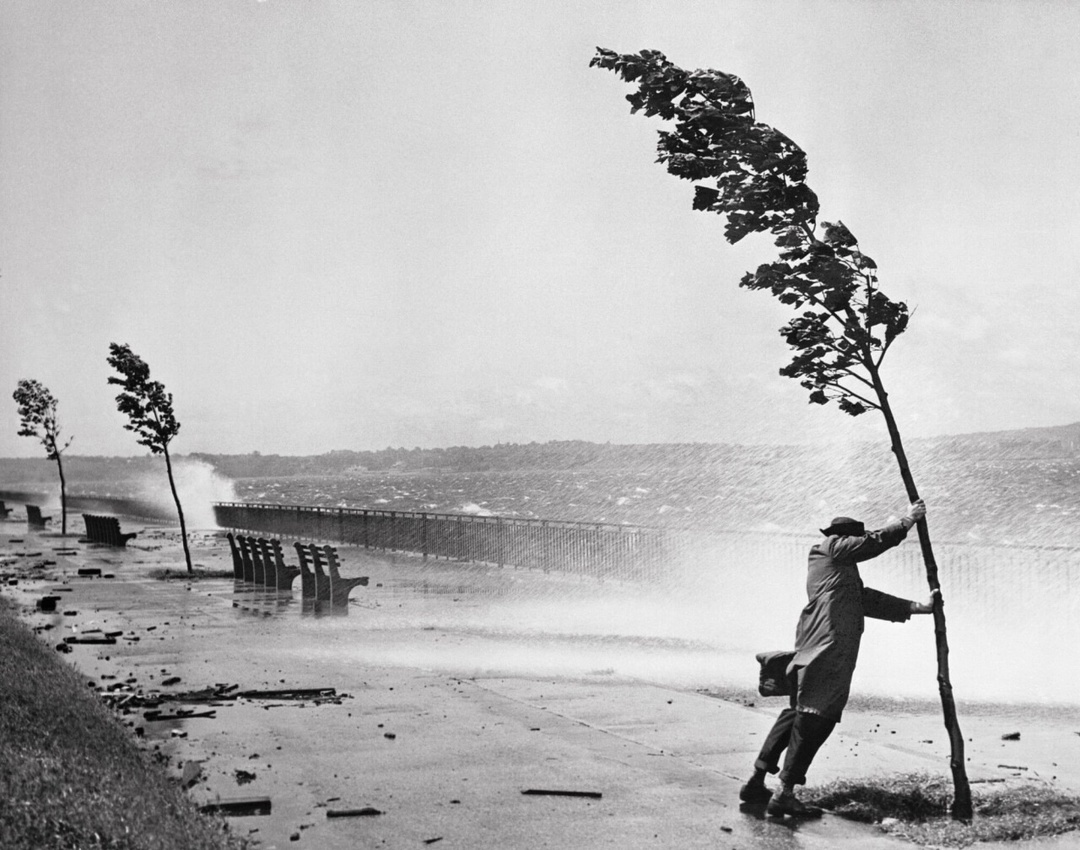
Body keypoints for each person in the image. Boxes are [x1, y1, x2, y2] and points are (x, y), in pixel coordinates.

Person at [740, 498, 937, 818]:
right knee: (816, 718)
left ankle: (756, 781)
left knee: (796, 712)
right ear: (843, 538)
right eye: (853, 539)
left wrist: (919, 607)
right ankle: (784, 793)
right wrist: (907, 521)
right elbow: (871, 544)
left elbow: (865, 599)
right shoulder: (832, 547)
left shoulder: (835, 571)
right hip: (828, 650)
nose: (856, 544)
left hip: (815, 647)